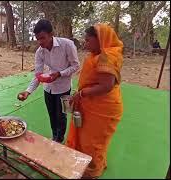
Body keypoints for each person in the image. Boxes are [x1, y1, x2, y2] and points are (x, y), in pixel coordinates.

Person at [65, 24, 124, 178]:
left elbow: (106, 86)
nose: (85, 43)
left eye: (88, 40)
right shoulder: (95, 55)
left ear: (101, 40)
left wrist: (81, 93)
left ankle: (91, 172)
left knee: (93, 143)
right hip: (91, 104)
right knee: (88, 139)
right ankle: (92, 163)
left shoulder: (107, 56)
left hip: (103, 108)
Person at [17, 19, 80, 143]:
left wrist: (60, 74)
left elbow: (76, 66)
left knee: (61, 116)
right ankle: (55, 137)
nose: (40, 42)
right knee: (52, 115)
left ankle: (59, 139)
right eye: (38, 39)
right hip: (48, 88)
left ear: (51, 34)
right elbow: (38, 75)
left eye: (43, 38)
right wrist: (28, 91)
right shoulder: (39, 52)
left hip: (64, 88)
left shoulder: (67, 45)